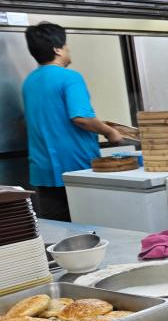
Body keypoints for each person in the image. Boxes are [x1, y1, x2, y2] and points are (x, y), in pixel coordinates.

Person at [21, 23, 123, 221]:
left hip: (43, 172)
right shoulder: (70, 78)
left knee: (61, 232)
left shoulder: (29, 82)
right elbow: (81, 118)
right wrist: (109, 132)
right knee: (92, 227)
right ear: (57, 49)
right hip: (77, 169)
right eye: (66, 45)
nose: (69, 49)